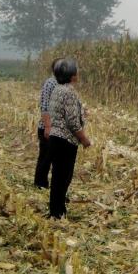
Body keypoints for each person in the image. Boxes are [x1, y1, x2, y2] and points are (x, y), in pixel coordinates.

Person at [46, 58, 91, 219]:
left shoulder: (58, 89)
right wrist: (85, 139)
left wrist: (81, 113)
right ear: (72, 75)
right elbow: (72, 123)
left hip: (55, 139)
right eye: (76, 71)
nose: (78, 73)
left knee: (57, 177)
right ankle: (58, 213)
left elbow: (62, 113)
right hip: (65, 141)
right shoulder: (69, 92)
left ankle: (55, 211)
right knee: (63, 177)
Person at [34, 58, 62, 188]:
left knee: (58, 161)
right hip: (49, 127)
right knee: (46, 158)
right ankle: (40, 184)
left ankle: (55, 189)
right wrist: (47, 126)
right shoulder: (50, 83)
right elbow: (45, 106)